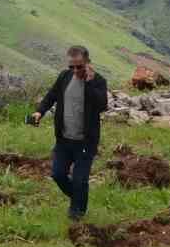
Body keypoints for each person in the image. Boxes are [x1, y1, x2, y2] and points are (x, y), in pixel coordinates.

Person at [28, 46, 109, 221]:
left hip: (85, 142)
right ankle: (78, 198)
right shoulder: (64, 77)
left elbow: (102, 105)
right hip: (64, 140)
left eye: (79, 66)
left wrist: (88, 82)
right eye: (71, 66)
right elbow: (51, 96)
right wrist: (39, 112)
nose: (75, 70)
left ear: (87, 63)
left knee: (80, 180)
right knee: (57, 174)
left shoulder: (98, 81)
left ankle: (77, 214)